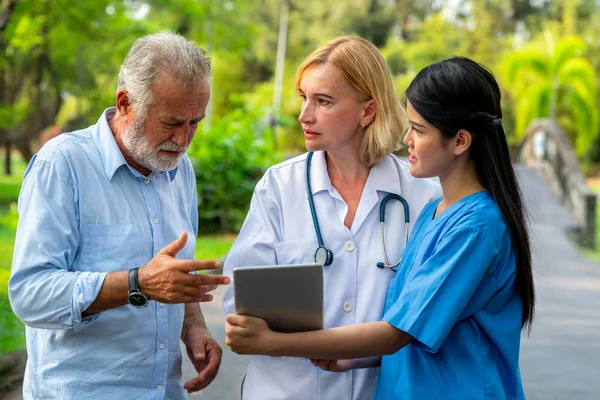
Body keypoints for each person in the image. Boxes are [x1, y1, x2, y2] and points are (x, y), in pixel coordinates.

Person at [225, 56, 536, 400]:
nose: (407, 140)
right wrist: (352, 358)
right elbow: (415, 328)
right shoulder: (435, 211)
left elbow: (397, 332)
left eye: (418, 130)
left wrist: (276, 342)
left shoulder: (474, 229)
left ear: (460, 141)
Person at [9, 32, 231, 399]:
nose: (184, 139)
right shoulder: (63, 164)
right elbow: (30, 294)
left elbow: (173, 273)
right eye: (172, 121)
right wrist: (136, 283)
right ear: (125, 103)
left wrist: (194, 329)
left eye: (196, 122)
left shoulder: (180, 169)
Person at [221, 36, 441, 399]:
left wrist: (353, 351)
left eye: (323, 101)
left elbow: (424, 320)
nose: (304, 115)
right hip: (286, 390)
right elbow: (238, 301)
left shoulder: (422, 197)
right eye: (304, 98)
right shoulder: (279, 187)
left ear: (367, 111)